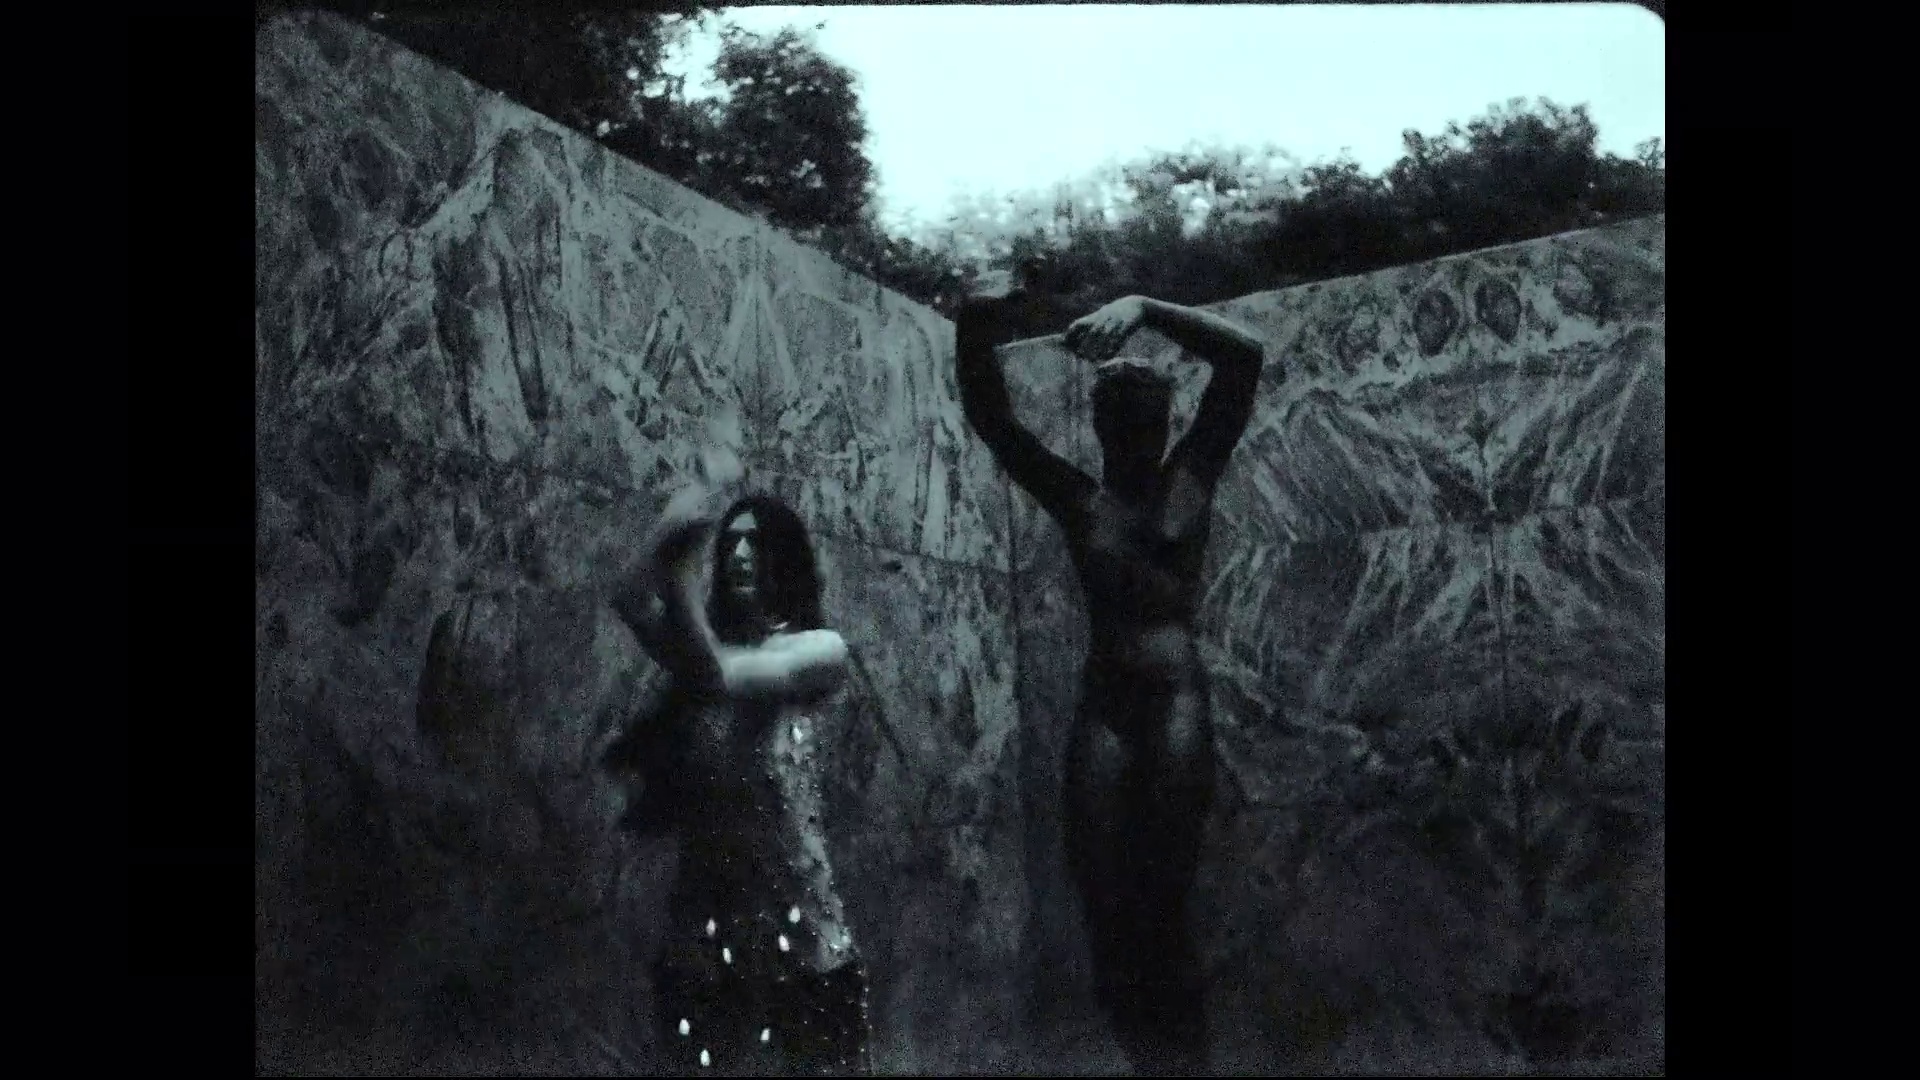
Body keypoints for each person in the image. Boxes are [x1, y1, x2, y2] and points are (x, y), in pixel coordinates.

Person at [955, 273, 1273, 1076]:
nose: (1134, 429)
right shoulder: (1082, 501)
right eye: (1119, 415)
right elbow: (993, 419)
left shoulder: (1188, 480)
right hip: (1107, 708)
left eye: (1147, 416)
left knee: (1163, 902)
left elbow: (1245, 359)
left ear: (1164, 423)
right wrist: (975, 317)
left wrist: (1147, 308)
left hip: (1171, 705)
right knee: (1104, 901)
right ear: (1098, 425)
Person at [604, 483, 871, 1076]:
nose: (739, 555)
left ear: (787, 561)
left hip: (805, 962)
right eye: (729, 544)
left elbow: (722, 674)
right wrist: (670, 528)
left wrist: (678, 573)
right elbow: (627, 597)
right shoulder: (697, 658)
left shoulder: (820, 651)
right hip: (702, 962)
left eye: (757, 543)